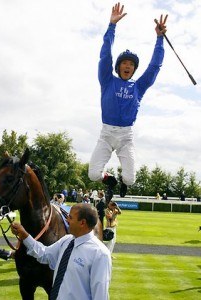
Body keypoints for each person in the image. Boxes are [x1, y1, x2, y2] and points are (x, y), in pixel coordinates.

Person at [88, 2, 168, 201]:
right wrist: (111, 25)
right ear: (118, 67)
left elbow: (155, 66)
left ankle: (123, 182)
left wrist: (159, 39)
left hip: (126, 137)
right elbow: (105, 54)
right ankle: (110, 180)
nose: (127, 66)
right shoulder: (107, 79)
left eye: (131, 64)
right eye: (124, 62)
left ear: (134, 69)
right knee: (93, 174)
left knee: (131, 179)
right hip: (106, 134)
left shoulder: (138, 87)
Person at [11, 203, 111, 300]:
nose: (67, 220)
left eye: (70, 217)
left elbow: (100, 295)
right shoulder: (67, 240)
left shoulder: (100, 253)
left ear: (82, 223)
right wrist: (24, 235)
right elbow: (44, 254)